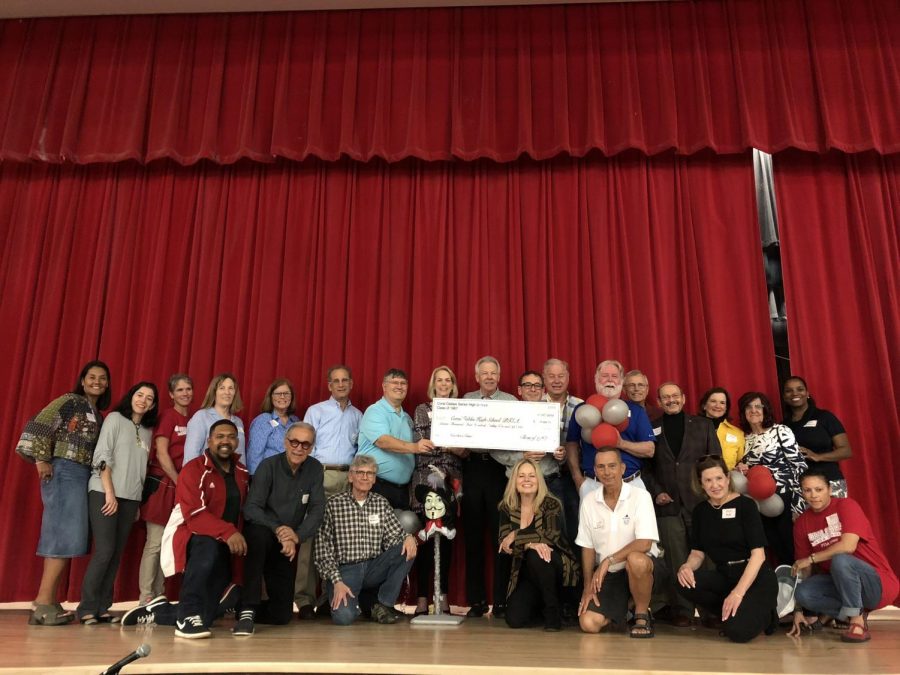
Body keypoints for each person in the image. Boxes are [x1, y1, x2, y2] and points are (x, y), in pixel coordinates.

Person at [125, 419, 250, 638]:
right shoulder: (193, 469)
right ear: (209, 440)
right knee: (207, 545)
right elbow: (194, 514)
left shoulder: (241, 471)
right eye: (219, 436)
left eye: (230, 437)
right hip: (192, 534)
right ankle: (187, 614)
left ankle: (158, 611)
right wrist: (229, 532)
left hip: (225, 542)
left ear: (237, 441)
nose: (225, 441)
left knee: (207, 617)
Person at [22, 360, 111, 626]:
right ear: (82, 380)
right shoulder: (69, 401)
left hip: (81, 474)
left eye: (102, 378)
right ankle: (41, 602)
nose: (97, 381)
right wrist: (41, 459)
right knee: (60, 534)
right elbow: (38, 425)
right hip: (63, 470)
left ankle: (49, 600)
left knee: (69, 536)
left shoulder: (98, 413)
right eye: (92, 377)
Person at [77, 381, 159, 624]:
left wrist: (136, 502)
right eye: (139, 394)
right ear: (131, 396)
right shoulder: (114, 419)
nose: (143, 400)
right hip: (104, 492)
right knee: (104, 551)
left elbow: (141, 470)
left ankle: (103, 607)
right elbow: (103, 456)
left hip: (130, 499)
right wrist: (110, 493)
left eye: (149, 397)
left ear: (153, 405)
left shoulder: (146, 430)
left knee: (116, 554)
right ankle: (86, 609)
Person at [642, 382, 721, 627]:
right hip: (668, 503)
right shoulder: (651, 427)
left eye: (675, 395)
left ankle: (711, 611)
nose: (671, 400)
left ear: (684, 398)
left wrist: (710, 491)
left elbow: (715, 461)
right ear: (659, 401)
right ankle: (683, 609)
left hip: (701, 502)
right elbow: (646, 467)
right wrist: (657, 493)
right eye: (665, 397)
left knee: (707, 557)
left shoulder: (703, 425)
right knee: (676, 557)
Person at [788, 469, 899, 643]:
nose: (813, 495)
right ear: (802, 493)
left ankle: (855, 621)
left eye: (819, 489)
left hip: (877, 584)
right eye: (807, 490)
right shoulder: (802, 523)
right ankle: (855, 613)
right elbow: (805, 570)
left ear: (829, 490)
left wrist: (811, 558)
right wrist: (800, 610)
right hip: (843, 586)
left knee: (841, 560)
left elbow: (848, 546)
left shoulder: (846, 506)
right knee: (804, 592)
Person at [236, 422, 326, 635]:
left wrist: (296, 536)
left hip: (288, 541)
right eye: (294, 442)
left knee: (282, 616)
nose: (299, 448)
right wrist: (279, 530)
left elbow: (317, 510)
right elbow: (251, 508)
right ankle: (247, 611)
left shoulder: (314, 469)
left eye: (305, 444)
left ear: (312, 447)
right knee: (257, 538)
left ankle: (238, 605)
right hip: (263, 530)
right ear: (285, 442)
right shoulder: (268, 466)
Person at [676, 456, 778, 642]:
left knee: (737, 633)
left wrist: (738, 592)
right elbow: (697, 553)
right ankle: (731, 611)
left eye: (719, 478)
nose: (715, 485)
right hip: (725, 575)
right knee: (682, 582)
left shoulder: (746, 506)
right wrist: (687, 567)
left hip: (755, 577)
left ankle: (766, 615)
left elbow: (758, 555)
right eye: (708, 480)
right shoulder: (700, 511)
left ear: (728, 479)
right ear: (701, 484)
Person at [315, 455, 417, 625]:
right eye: (360, 472)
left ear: (374, 479)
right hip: (346, 570)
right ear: (350, 476)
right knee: (344, 619)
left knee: (408, 548)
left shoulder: (381, 503)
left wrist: (408, 537)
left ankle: (384, 603)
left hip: (373, 567)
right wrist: (336, 581)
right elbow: (322, 549)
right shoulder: (333, 504)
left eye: (369, 473)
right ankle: (350, 600)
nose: (364, 477)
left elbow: (394, 537)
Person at [576, 447, 666, 638]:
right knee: (588, 623)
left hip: (643, 567)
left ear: (622, 468)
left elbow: (644, 543)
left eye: (612, 466)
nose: (607, 472)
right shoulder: (589, 501)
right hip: (610, 574)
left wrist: (609, 560)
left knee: (636, 559)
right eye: (601, 467)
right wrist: (587, 587)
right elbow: (587, 547)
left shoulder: (641, 496)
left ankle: (641, 615)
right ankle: (625, 609)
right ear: (595, 470)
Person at [296, 364, 362, 619]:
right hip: (319, 473)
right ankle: (303, 599)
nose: (341, 384)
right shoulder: (316, 411)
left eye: (345, 380)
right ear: (329, 385)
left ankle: (328, 597)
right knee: (310, 536)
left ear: (351, 383)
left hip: (347, 476)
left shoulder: (358, 415)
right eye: (336, 381)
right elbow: (304, 444)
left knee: (338, 539)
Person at [462, 355, 517, 618]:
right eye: (484, 373)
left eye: (493, 373)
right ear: (476, 377)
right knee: (473, 537)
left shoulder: (511, 402)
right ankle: (477, 601)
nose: (489, 377)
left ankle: (501, 601)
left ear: (499, 375)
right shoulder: (465, 401)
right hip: (472, 468)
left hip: (500, 470)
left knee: (501, 536)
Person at [410, 365, 467, 616]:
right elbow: (425, 445)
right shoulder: (423, 410)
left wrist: (452, 447)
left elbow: (466, 450)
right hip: (427, 479)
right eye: (439, 380)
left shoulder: (463, 410)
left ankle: (442, 597)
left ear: (453, 385)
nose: (444, 384)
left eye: (448, 380)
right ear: (433, 384)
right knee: (425, 539)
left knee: (447, 541)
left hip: (452, 482)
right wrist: (449, 446)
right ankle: (422, 598)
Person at [498, 459, 579, 631]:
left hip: (557, 566)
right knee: (514, 619)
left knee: (539, 555)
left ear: (539, 480)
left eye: (532, 476)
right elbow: (504, 544)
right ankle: (540, 607)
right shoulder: (507, 507)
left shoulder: (551, 503)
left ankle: (552, 614)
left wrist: (516, 535)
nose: (526, 480)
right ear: (514, 481)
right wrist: (529, 544)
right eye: (521, 476)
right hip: (526, 573)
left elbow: (551, 535)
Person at [138, 373, 193, 605]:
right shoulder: (168, 417)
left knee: (169, 542)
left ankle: (159, 594)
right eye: (180, 390)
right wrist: (179, 479)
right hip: (164, 485)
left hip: (180, 487)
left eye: (188, 389)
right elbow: (161, 453)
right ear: (171, 394)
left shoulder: (192, 420)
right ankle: (145, 596)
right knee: (155, 541)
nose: (185, 393)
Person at [566, 360, 655, 501]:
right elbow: (571, 445)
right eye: (604, 375)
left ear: (621, 381)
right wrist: (577, 479)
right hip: (592, 485)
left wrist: (620, 443)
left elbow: (650, 450)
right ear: (596, 380)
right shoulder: (582, 410)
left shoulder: (636, 410)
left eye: (614, 376)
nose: (609, 380)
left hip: (631, 485)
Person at [737, 392, 806, 564]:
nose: (753, 410)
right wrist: (741, 468)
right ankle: (786, 586)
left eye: (758, 406)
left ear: (766, 410)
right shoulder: (744, 438)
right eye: (748, 407)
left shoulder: (780, 431)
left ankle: (805, 586)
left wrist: (798, 505)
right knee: (775, 547)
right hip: (760, 501)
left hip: (785, 497)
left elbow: (799, 466)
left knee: (793, 549)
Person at [357, 368, 432, 508]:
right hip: (375, 485)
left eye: (403, 383)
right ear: (384, 386)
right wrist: (415, 447)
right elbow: (383, 441)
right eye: (394, 382)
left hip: (401, 490)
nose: (399, 386)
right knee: (373, 528)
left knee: (407, 525)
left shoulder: (408, 418)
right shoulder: (375, 411)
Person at [491, 371, 568, 501]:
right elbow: (495, 452)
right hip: (518, 484)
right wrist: (522, 456)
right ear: (519, 390)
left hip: (550, 481)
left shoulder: (551, 415)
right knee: (519, 521)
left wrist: (561, 455)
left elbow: (562, 452)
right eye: (527, 385)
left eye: (537, 385)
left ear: (543, 390)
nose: (533, 389)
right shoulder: (506, 415)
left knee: (553, 521)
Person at [782, 376, 852, 497]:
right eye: (789, 391)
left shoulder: (825, 417)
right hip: (801, 486)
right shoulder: (783, 426)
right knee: (805, 517)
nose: (795, 393)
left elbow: (846, 451)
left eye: (800, 389)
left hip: (830, 481)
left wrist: (817, 456)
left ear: (807, 393)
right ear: (784, 396)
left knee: (836, 516)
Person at [541, 358, 583, 546]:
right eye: (551, 376)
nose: (556, 380)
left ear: (568, 378)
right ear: (544, 379)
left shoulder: (581, 406)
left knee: (576, 526)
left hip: (573, 476)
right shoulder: (534, 405)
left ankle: (578, 573)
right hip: (544, 476)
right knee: (549, 527)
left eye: (561, 376)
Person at [183, 373, 246, 465]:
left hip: (232, 477)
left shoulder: (238, 422)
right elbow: (191, 455)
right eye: (222, 388)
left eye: (231, 388)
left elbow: (241, 455)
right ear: (214, 392)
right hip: (207, 475)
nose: (227, 392)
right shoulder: (201, 417)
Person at [246, 378, 300, 475]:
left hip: (293, 477)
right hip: (269, 476)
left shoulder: (296, 422)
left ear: (291, 397)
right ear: (270, 397)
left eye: (286, 393)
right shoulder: (263, 420)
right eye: (278, 393)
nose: (282, 397)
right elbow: (254, 455)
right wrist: (256, 479)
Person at [698, 387, 745, 471]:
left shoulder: (737, 433)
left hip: (727, 477)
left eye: (722, 403)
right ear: (704, 405)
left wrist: (740, 467)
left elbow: (740, 460)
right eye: (713, 401)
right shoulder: (692, 428)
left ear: (726, 408)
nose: (718, 406)